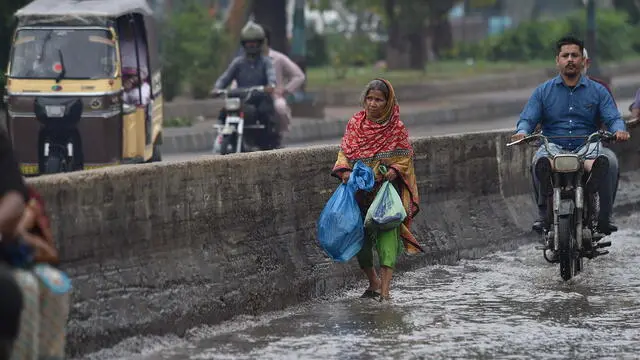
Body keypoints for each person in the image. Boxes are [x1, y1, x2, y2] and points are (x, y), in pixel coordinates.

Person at [512, 36, 629, 236]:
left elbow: (613, 118)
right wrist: (522, 132)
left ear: (583, 60)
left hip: (588, 146)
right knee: (537, 161)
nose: (570, 60)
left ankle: (603, 217)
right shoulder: (543, 92)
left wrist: (619, 130)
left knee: (610, 161)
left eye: (575, 55)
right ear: (557, 60)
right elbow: (528, 119)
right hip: (552, 147)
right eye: (565, 55)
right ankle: (544, 216)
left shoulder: (598, 91)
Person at [332, 78, 423, 302]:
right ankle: (373, 282)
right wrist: (344, 171)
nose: (373, 104)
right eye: (370, 99)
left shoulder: (396, 128)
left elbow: (405, 157)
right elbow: (344, 152)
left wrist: (393, 170)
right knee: (359, 243)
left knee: (387, 240)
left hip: (385, 194)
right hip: (359, 194)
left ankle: (385, 292)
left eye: (379, 100)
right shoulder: (355, 123)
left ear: (388, 102)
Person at [211, 21, 277, 149]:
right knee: (224, 111)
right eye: (248, 42)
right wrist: (217, 88)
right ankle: (224, 137)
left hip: (259, 98)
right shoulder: (238, 62)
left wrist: (270, 85)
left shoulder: (266, 62)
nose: (251, 45)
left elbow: (271, 77)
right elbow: (225, 78)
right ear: (244, 44)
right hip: (241, 99)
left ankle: (266, 143)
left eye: (254, 42)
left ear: (260, 43)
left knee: (265, 112)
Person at [260, 25, 306, 147]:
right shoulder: (245, 60)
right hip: (250, 97)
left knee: (280, 107)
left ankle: (279, 134)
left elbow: (299, 76)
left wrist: (285, 89)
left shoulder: (277, 58)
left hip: (273, 96)